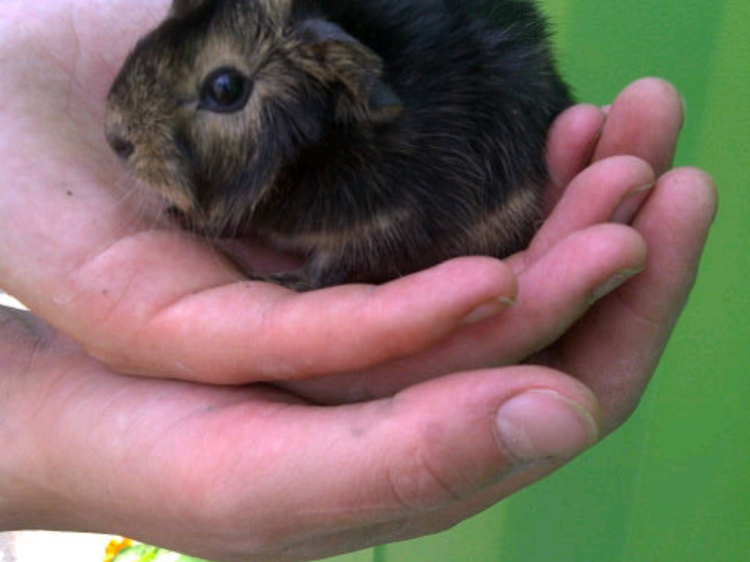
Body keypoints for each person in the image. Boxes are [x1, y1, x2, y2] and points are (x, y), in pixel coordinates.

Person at [0, 2, 716, 561]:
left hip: (475, 178)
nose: (126, 130)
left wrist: (323, 269)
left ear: (341, 82)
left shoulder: (382, 173)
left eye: (224, 89)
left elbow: (387, 211)